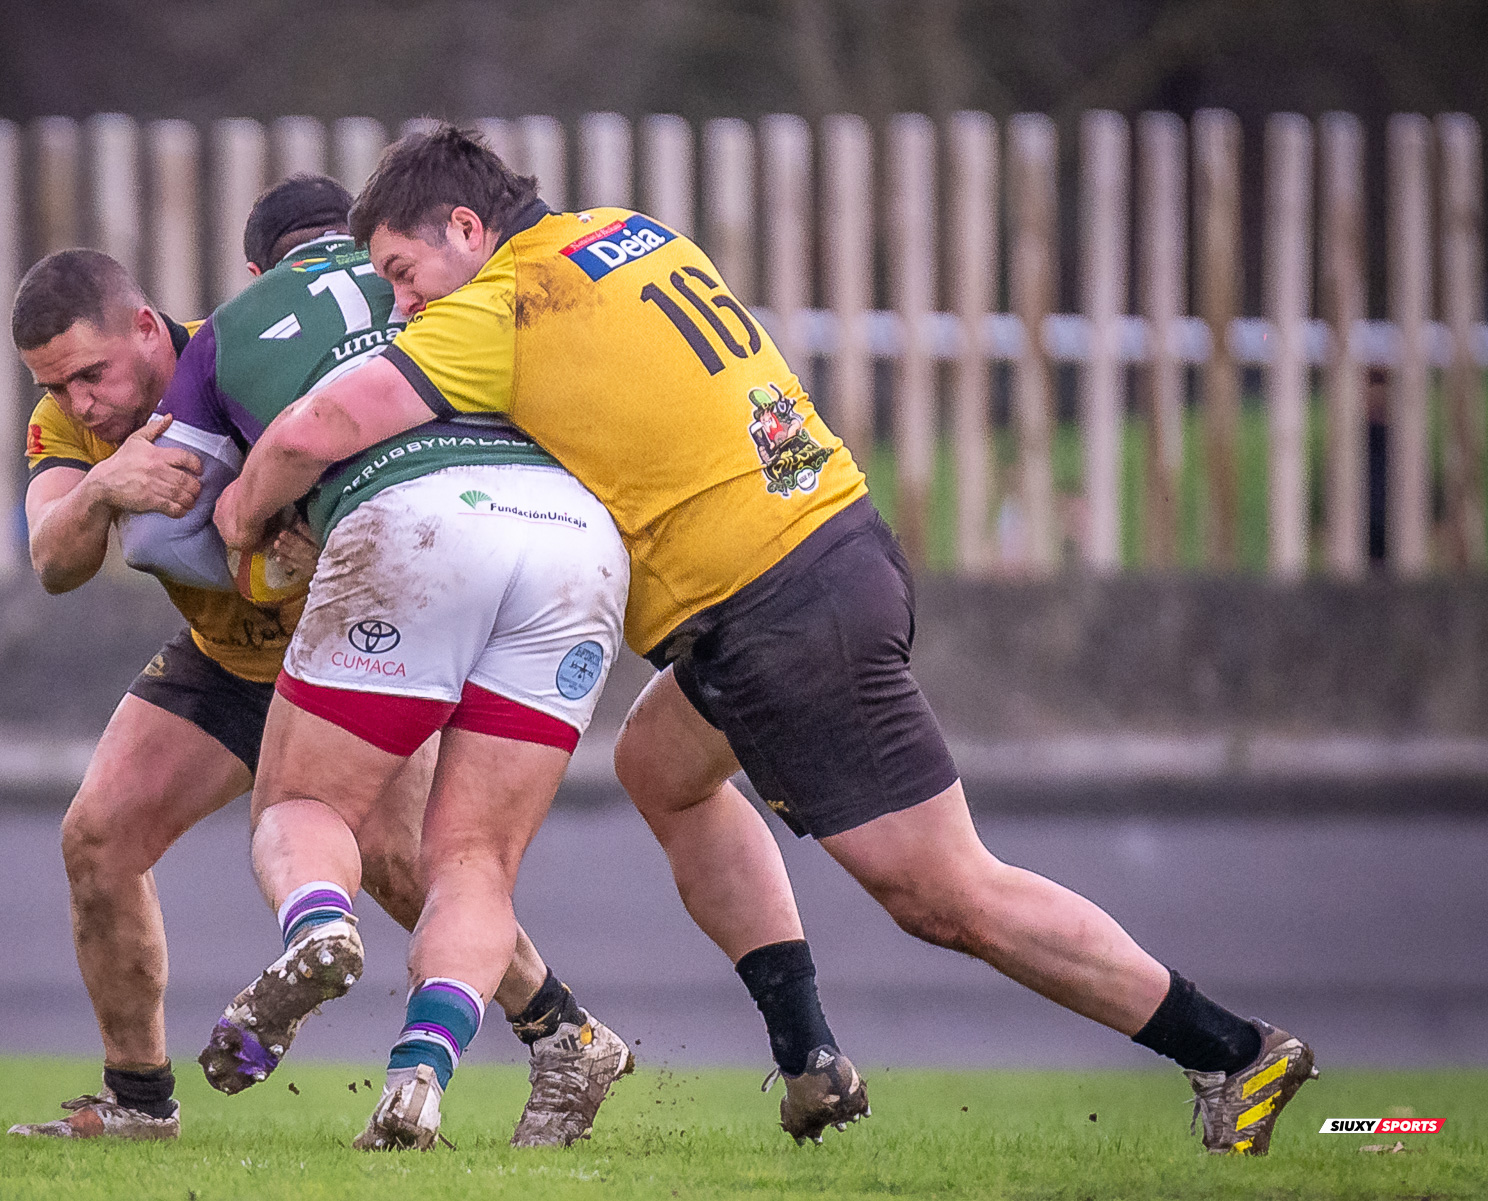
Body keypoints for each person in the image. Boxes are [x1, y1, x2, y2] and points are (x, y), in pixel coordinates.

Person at [214, 124, 1319, 1156]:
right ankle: (809, 1056)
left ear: (466, 229)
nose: (401, 306)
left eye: (404, 274)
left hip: (776, 608)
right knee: (661, 767)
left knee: (943, 892)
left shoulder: (502, 298)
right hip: (832, 545)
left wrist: (241, 519)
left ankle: (1233, 1053)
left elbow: (319, 425)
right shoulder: (625, 234)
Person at [5, 181, 628, 1145]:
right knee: (97, 838)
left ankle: (564, 1031)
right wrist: (101, 492)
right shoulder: (72, 432)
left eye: (91, 374)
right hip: (221, 663)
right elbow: (53, 559)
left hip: (351, 645)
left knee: (404, 864)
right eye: (55, 385)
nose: (81, 402)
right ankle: (137, 1100)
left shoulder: (249, 347)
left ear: (144, 325)